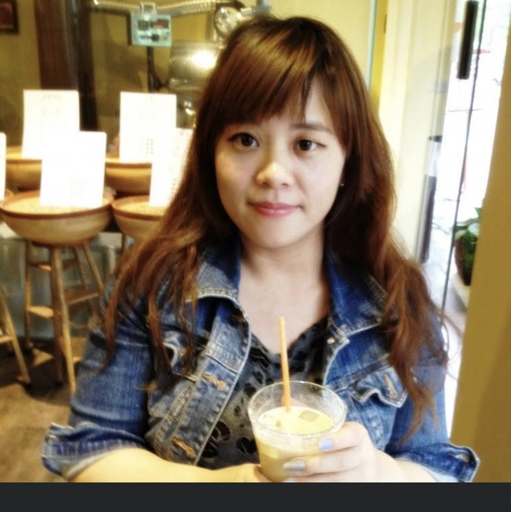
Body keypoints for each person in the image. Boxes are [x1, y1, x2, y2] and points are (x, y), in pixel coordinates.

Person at [41, 14, 479, 482]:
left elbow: (437, 467)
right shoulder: (151, 286)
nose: (273, 173)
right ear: (211, 152)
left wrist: (379, 474)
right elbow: (93, 448)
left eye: (306, 143)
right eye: (246, 139)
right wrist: (219, 485)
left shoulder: (398, 302)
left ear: (348, 160)